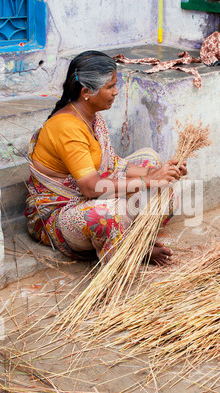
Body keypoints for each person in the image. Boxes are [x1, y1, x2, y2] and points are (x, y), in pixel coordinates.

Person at [24, 50, 186, 265]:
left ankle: (130, 239)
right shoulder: (67, 128)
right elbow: (90, 188)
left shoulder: (91, 117)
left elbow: (112, 163)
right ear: (86, 92)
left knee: (152, 162)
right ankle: (134, 250)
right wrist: (149, 180)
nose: (116, 92)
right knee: (112, 213)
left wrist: (157, 173)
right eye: (110, 86)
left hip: (92, 198)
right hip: (59, 215)